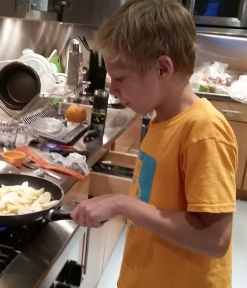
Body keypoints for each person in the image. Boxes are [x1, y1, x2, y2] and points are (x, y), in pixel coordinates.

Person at [70, 0, 238, 287]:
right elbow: (156, 205)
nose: (113, 89)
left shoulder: (204, 130)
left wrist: (122, 203)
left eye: (120, 78)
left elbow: (215, 240)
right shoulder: (160, 118)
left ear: (162, 68)